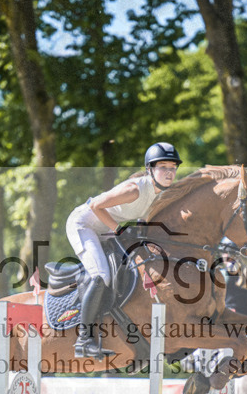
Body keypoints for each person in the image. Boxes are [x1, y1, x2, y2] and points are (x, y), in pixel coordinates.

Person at [65, 142, 182, 358]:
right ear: (150, 169)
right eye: (163, 167)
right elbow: (94, 205)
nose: (169, 172)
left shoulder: (159, 195)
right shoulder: (134, 189)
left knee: (127, 271)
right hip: (84, 225)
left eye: (173, 167)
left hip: (105, 228)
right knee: (101, 276)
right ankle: (83, 339)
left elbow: (142, 222)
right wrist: (118, 229)